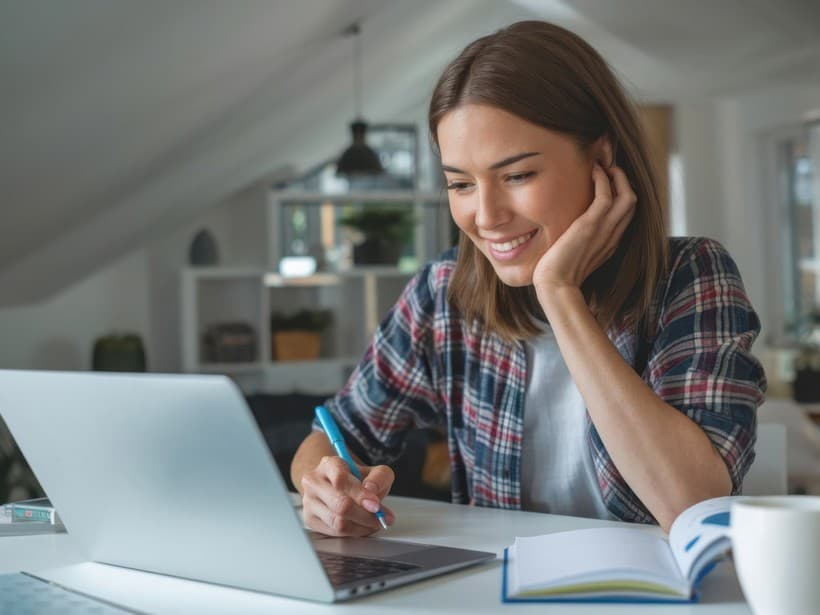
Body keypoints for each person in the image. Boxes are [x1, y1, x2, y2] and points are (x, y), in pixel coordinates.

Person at [290, 20, 766, 535]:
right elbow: (331, 436)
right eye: (461, 184)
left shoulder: (691, 276)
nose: (487, 215)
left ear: (601, 159)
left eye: (517, 176)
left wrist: (560, 295)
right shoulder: (442, 292)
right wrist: (325, 489)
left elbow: (692, 503)